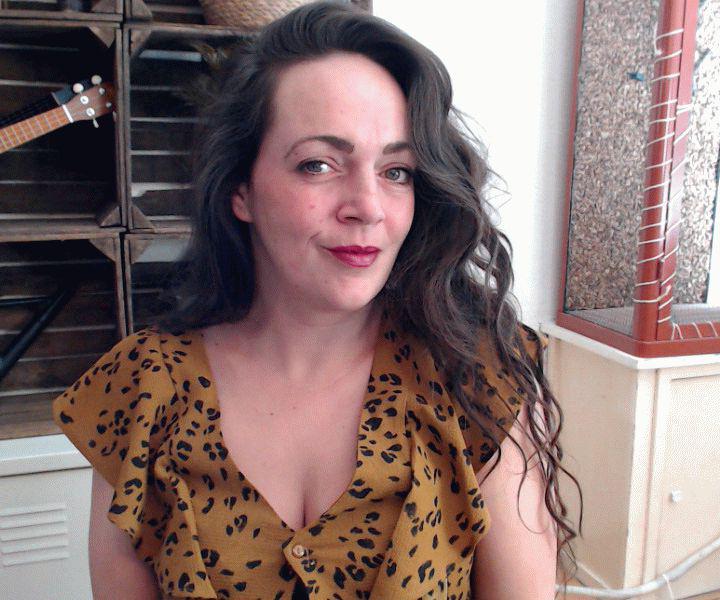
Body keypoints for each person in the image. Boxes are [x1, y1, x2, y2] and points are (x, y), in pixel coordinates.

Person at [52, 2, 582, 598]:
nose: (368, 206)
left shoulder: (476, 376)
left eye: (397, 171)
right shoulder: (140, 388)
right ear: (241, 189)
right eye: (319, 165)